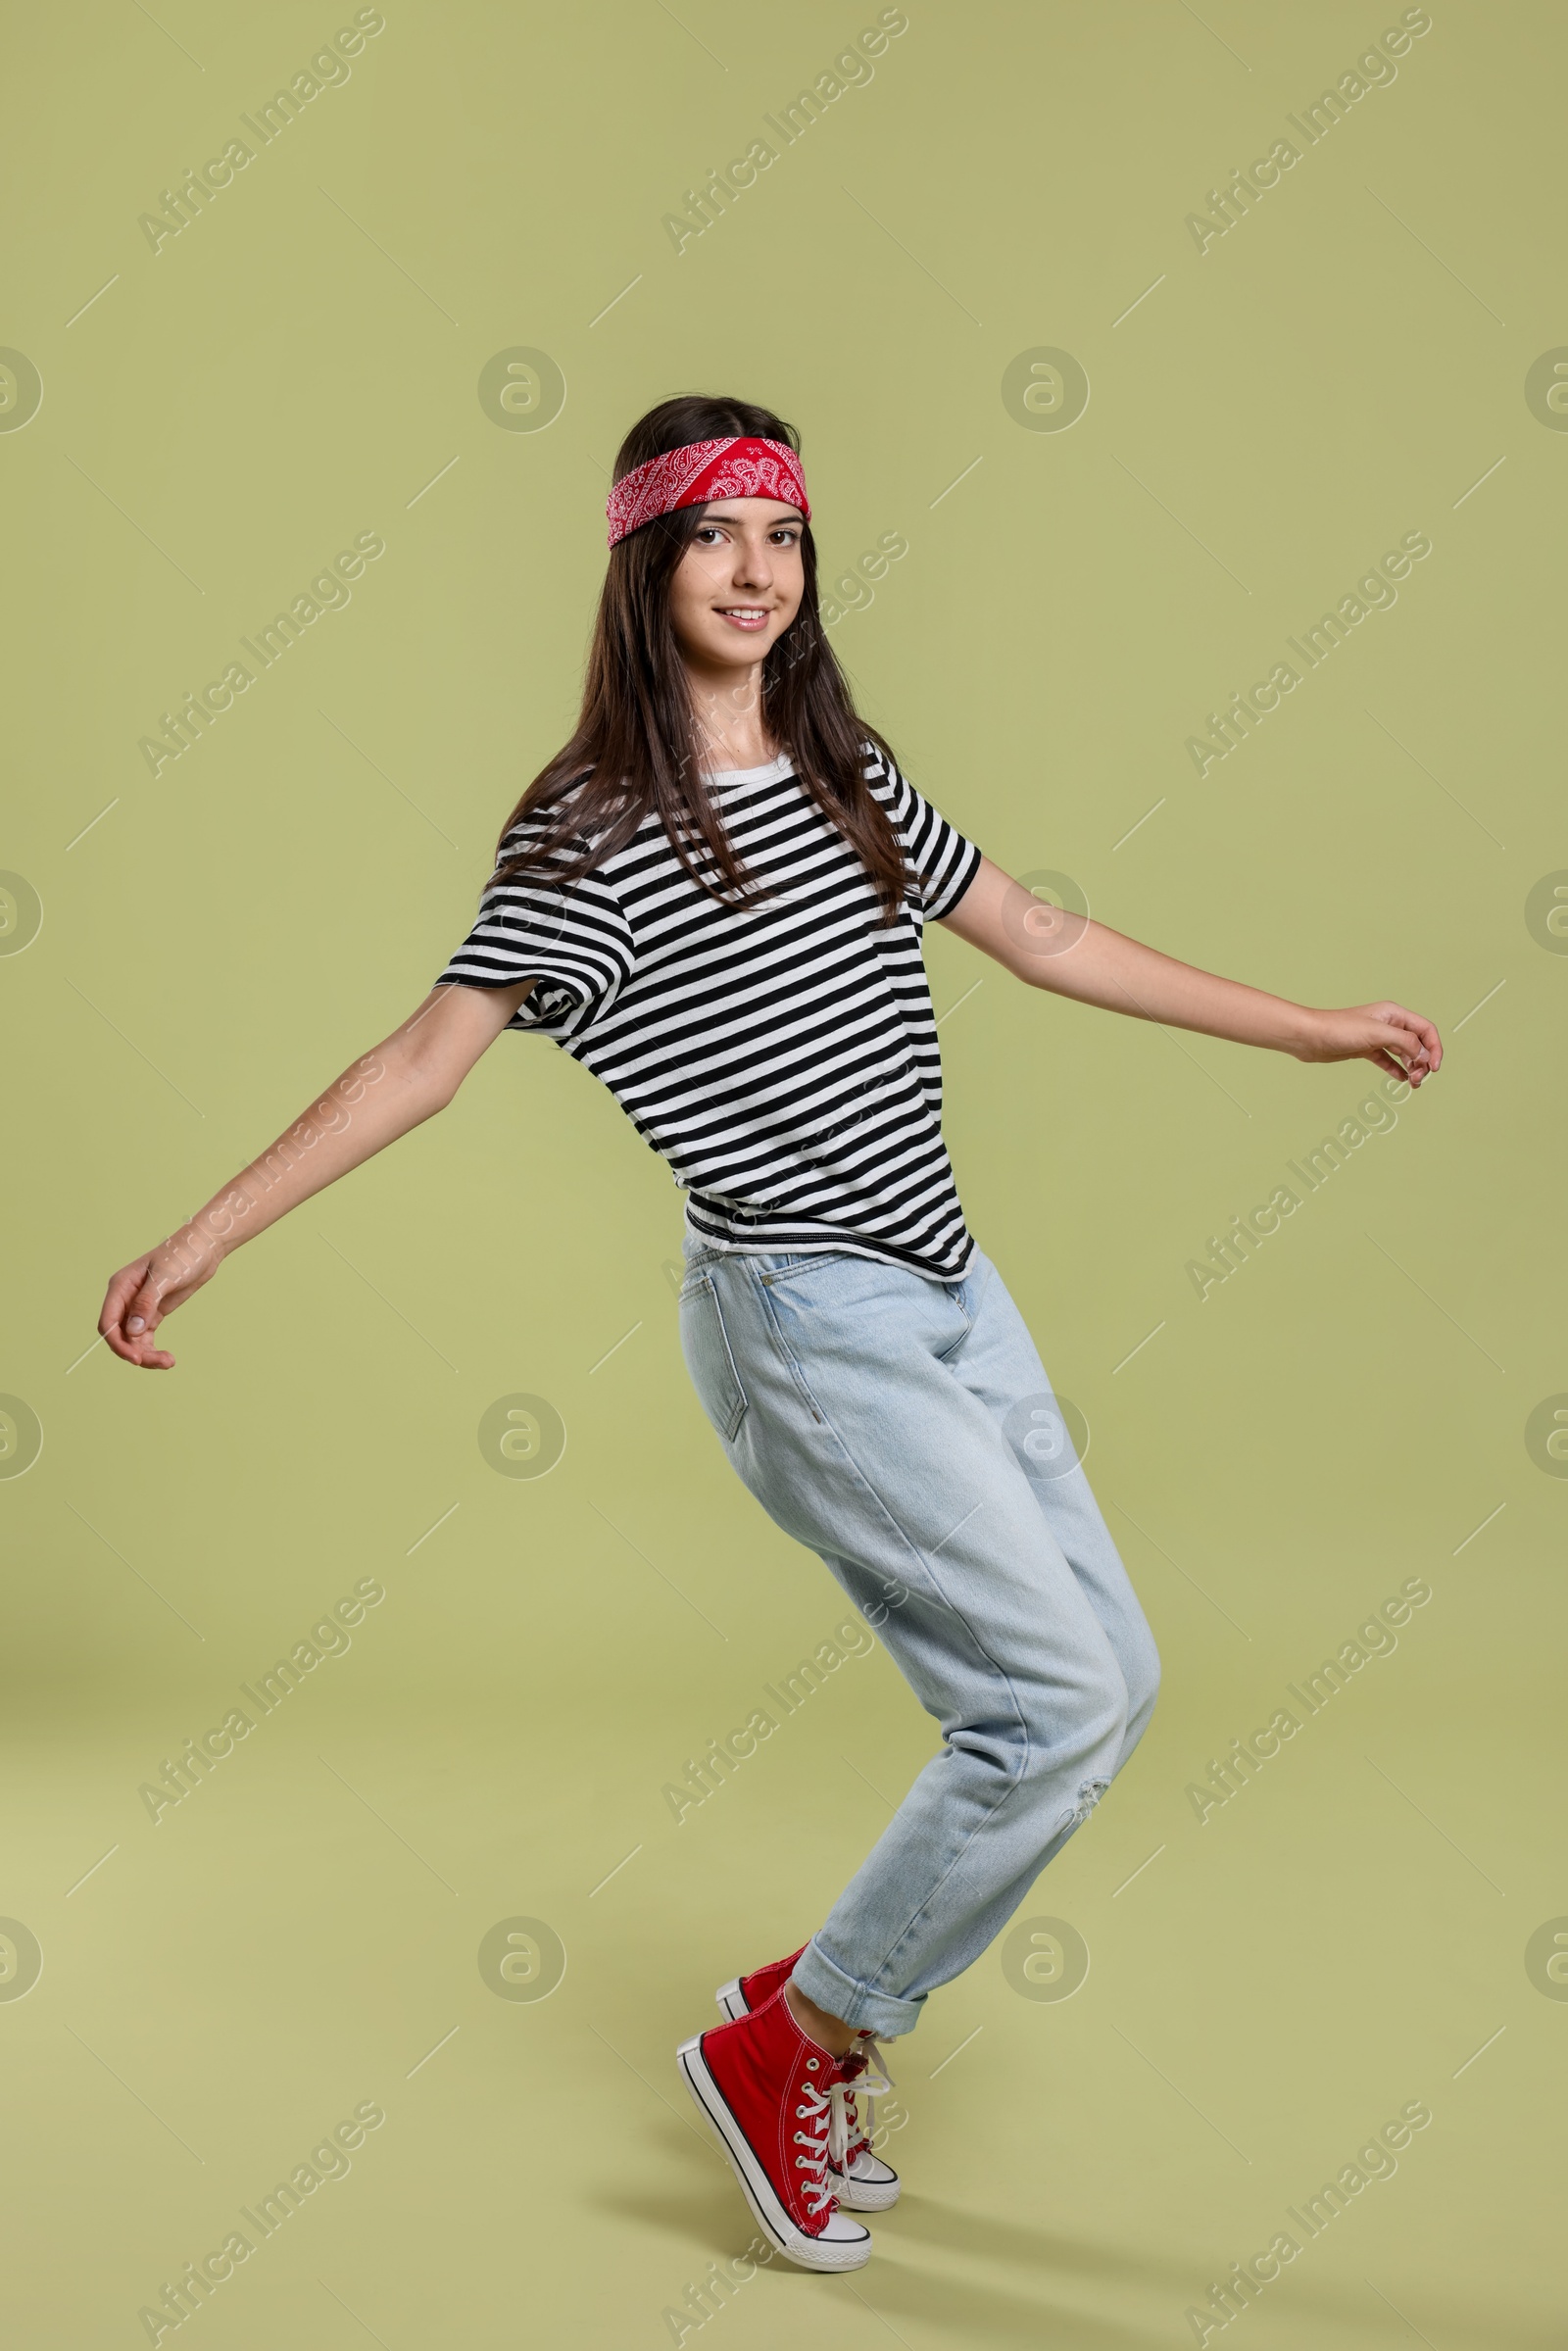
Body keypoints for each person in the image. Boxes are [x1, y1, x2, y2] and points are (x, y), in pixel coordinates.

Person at [97, 393, 1443, 2275]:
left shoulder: (843, 764)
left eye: (784, 537)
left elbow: (1044, 937)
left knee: (1112, 1680)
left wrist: (1305, 1025)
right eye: (717, 535)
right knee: (1042, 1702)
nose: (756, 570)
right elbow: (422, 1060)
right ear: (647, 565)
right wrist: (206, 1231)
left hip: (958, 1294)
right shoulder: (587, 832)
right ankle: (796, 2042)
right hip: (808, 1320)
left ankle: (821, 1995)